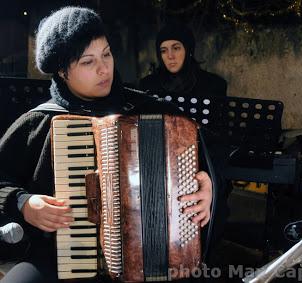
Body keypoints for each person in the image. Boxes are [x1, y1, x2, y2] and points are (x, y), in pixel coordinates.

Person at [0, 7, 212, 283]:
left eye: (107, 54)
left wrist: (207, 187)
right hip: (59, 257)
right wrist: (24, 203)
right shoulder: (40, 122)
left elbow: (210, 161)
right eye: (88, 62)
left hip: (154, 257)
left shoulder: (154, 113)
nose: (104, 68)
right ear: (62, 71)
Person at [139, 22, 230, 263]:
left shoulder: (213, 85)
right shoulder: (149, 85)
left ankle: (199, 257)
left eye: (176, 48)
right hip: (162, 160)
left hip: (202, 157)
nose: (170, 56)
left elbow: (221, 136)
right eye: (163, 50)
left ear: (188, 50)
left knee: (214, 203)